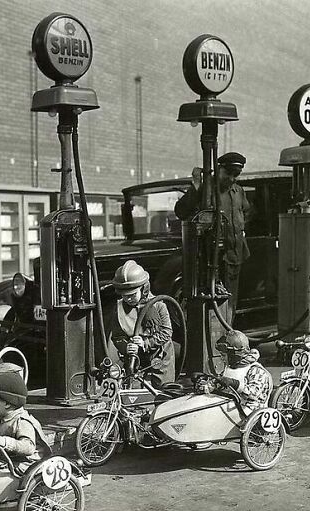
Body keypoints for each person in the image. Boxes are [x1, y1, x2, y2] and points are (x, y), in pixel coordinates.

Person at [174, 152, 253, 323]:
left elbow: (247, 211)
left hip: (234, 256)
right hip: (210, 260)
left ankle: (229, 338)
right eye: (228, 174)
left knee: (231, 303)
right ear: (219, 169)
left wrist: (241, 231)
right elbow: (181, 211)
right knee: (214, 305)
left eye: (236, 175)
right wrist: (195, 187)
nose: (232, 179)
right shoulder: (205, 188)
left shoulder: (238, 191)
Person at [107, 260, 175, 388]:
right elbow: (117, 336)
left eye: (132, 295)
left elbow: (167, 332)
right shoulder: (119, 308)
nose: (128, 299)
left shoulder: (158, 305)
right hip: (134, 356)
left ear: (143, 289)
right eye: (125, 295)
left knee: (164, 390)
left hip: (159, 354)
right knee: (131, 390)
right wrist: (126, 347)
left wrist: (145, 343)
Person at [0, 371, 51, 465]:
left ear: (7, 404)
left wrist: (5, 442)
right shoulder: (1, 417)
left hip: (23, 465)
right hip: (7, 459)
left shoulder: (22, 422)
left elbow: (28, 447)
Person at [210, 330, 273, 414]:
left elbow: (254, 394)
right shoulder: (230, 367)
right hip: (233, 406)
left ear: (234, 355)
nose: (222, 358)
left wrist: (235, 384)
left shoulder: (256, 370)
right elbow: (222, 384)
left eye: (223, 355)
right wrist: (209, 382)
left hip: (251, 411)